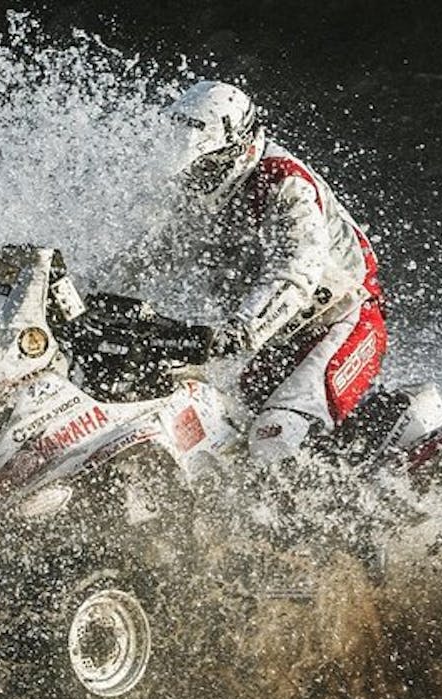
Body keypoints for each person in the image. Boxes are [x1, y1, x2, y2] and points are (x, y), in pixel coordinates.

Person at [163, 80, 391, 463]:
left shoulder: (285, 183)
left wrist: (241, 330)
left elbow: (295, 273)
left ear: (239, 148)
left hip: (343, 320)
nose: (195, 177)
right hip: (277, 341)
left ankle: (331, 519)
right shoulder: (192, 193)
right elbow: (143, 258)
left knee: (275, 436)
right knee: (215, 425)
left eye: (207, 166)